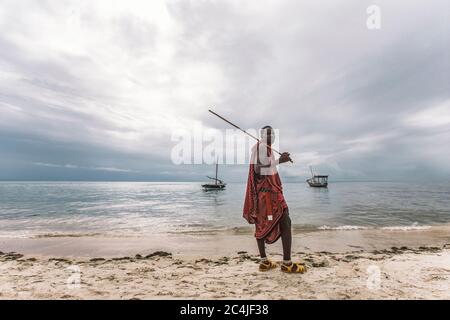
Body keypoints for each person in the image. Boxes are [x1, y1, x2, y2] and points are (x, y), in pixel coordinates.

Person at [243, 126, 306, 273]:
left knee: (267, 223)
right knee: (284, 221)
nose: (271, 135)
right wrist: (279, 161)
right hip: (267, 194)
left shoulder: (267, 149)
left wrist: (279, 159)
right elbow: (258, 169)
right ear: (262, 135)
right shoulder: (260, 148)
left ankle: (265, 262)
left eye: (273, 133)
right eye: (267, 133)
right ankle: (286, 263)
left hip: (269, 193)